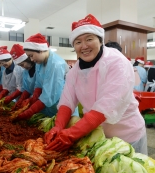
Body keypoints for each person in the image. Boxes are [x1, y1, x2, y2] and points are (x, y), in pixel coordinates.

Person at [44, 14, 147, 155]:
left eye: (89, 39)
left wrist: (70, 134)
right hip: (98, 137)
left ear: (100, 40)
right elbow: (67, 102)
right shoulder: (75, 71)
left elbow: (105, 107)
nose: (84, 46)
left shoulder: (117, 62)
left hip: (127, 136)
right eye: (78, 42)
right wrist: (58, 127)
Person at [12, 33, 75, 121]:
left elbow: (49, 95)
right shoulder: (39, 63)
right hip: (47, 107)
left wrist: (30, 111)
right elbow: (38, 84)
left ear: (40, 50)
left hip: (62, 106)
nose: (31, 60)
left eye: (31, 55)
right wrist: (33, 99)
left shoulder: (56, 64)